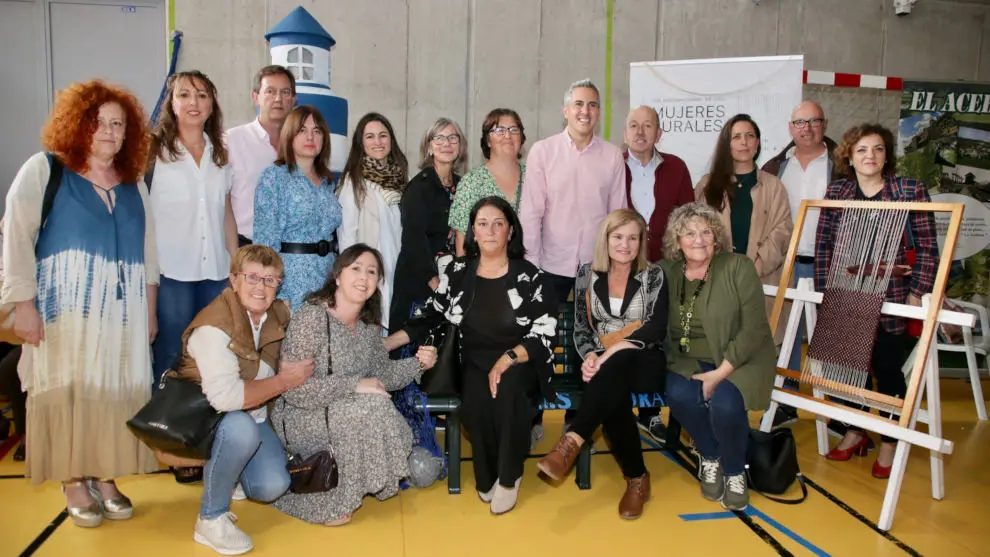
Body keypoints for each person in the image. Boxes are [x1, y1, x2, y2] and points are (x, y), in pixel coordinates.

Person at [2, 80, 159, 527]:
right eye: (99, 122)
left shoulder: (133, 184)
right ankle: (73, 479)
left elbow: (150, 252)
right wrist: (22, 305)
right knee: (70, 389)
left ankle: (105, 476)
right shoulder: (46, 170)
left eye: (118, 124)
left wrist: (149, 310)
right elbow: (15, 236)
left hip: (123, 313)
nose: (109, 132)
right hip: (63, 307)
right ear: (78, 124)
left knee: (113, 389)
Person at [387, 196, 559, 515]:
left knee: (509, 392)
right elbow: (431, 314)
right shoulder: (458, 271)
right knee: (476, 403)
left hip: (520, 360)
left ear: (511, 231)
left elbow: (546, 329)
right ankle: (488, 473)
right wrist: (388, 342)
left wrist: (508, 358)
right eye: (483, 224)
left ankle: (510, 477)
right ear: (473, 233)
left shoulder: (529, 276)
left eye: (499, 224)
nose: (491, 230)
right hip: (473, 362)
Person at [272, 244, 437, 526]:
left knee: (375, 405)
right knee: (367, 410)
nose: (364, 277)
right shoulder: (311, 317)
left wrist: (419, 364)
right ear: (337, 275)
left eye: (371, 272)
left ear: (377, 283)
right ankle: (327, 502)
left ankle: (350, 488)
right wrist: (354, 384)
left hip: (341, 407)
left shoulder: (366, 328)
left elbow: (383, 375)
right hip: (300, 415)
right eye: (356, 269)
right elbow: (295, 390)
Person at [815, 123, 938, 479]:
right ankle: (855, 429)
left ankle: (889, 440)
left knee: (887, 370)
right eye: (862, 150)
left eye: (878, 149)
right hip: (846, 295)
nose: (871, 156)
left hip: (892, 299)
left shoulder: (908, 190)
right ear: (849, 158)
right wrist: (828, 296)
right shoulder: (837, 191)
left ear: (887, 156)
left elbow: (929, 249)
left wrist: (917, 292)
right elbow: (825, 247)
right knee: (848, 370)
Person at [173, 245, 313, 555]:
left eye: (270, 280)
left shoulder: (277, 313)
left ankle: (231, 473)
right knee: (239, 430)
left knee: (271, 486)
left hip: (254, 414)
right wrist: (285, 380)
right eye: (251, 277)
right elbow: (225, 398)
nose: (260, 288)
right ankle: (210, 518)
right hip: (204, 421)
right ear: (233, 280)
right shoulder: (214, 326)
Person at [537, 209, 667, 520]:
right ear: (605, 240)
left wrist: (609, 352)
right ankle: (637, 478)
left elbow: (654, 328)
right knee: (611, 396)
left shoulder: (654, 274)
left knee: (614, 368)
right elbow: (582, 327)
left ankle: (573, 440)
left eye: (633, 238)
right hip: (605, 369)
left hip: (645, 361)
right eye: (618, 237)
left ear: (641, 243)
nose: (625, 244)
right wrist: (590, 357)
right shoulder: (587, 274)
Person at [520, 78, 625, 438]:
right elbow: (531, 212)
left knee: (589, 345)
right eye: (579, 104)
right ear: (565, 111)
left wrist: (615, 267)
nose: (585, 111)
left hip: (595, 267)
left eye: (593, 105)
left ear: (599, 112)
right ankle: (531, 416)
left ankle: (577, 425)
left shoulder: (612, 156)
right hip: (548, 264)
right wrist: (530, 266)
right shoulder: (542, 152)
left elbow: (618, 215)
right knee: (539, 341)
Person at [661, 203, 777, 511]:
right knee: (679, 394)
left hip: (739, 357)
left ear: (717, 237)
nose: (698, 239)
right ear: (677, 240)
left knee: (726, 402)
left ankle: (735, 471)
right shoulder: (667, 273)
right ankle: (711, 455)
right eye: (689, 233)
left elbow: (754, 328)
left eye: (705, 232)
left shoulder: (738, 266)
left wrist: (720, 373)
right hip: (688, 357)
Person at [148, 70, 239, 393]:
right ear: (171, 103)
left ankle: (198, 428)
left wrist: (234, 264)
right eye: (184, 94)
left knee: (209, 354)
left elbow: (225, 211)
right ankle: (161, 427)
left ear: (212, 104)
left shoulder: (221, 153)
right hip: (170, 272)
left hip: (214, 271)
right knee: (170, 353)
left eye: (202, 95)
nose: (194, 102)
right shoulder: (153, 151)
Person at [761, 101, 839, 428]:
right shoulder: (776, 166)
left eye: (813, 121)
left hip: (830, 264)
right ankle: (788, 398)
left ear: (824, 124)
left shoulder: (842, 164)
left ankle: (836, 406)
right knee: (787, 333)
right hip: (786, 263)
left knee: (833, 334)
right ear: (790, 128)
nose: (806, 128)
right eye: (799, 122)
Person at [622, 105, 694, 443]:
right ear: (625, 133)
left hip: (665, 270)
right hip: (623, 267)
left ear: (658, 133)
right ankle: (617, 407)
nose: (640, 132)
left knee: (660, 338)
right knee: (623, 334)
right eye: (634, 125)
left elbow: (687, 217)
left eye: (647, 125)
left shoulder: (677, 167)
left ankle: (650, 413)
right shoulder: (612, 165)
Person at [694, 113, 793, 339]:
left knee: (756, 346)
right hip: (718, 281)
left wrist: (756, 266)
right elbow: (697, 233)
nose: (744, 142)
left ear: (757, 143)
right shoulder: (707, 186)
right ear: (727, 144)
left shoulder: (774, 186)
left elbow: (783, 230)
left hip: (761, 278)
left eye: (750, 136)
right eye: (737, 136)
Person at [253, 105, 343, 312]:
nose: (310, 137)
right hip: (290, 282)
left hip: (328, 278)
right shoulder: (274, 176)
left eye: (317, 131)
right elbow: (265, 242)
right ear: (289, 135)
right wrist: (272, 291)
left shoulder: (329, 182)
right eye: (302, 130)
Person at [389, 117, 467, 338]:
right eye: (439, 138)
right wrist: (433, 281)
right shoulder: (419, 187)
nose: (446, 143)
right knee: (416, 350)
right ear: (429, 146)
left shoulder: (464, 185)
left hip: (453, 280)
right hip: (422, 280)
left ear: (460, 147)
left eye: (453, 138)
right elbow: (413, 239)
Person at [337, 113, 409, 330]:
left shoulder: (401, 182)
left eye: (382, 135)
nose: (377, 142)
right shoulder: (353, 182)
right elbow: (347, 236)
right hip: (368, 275)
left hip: (397, 270)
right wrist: (353, 278)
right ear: (361, 143)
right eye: (370, 137)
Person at [226, 65, 297, 246]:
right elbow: (220, 203)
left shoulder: (301, 146)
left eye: (285, 92)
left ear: (294, 99)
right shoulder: (232, 141)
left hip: (289, 252)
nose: (278, 99)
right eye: (270, 91)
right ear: (255, 97)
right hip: (246, 247)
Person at [448, 108, 527, 256]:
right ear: (488, 140)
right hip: (484, 273)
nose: (508, 135)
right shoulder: (472, 182)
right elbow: (463, 242)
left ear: (521, 138)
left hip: (530, 271)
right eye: (499, 130)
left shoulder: (535, 176)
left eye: (514, 130)